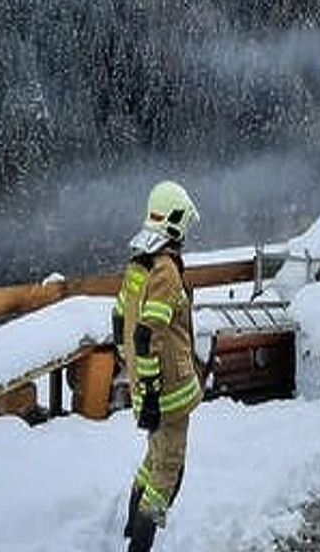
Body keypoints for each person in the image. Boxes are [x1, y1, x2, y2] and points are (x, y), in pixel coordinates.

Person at [112, 180, 204, 552]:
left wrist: (131, 368)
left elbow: (121, 319)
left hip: (148, 386)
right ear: (175, 221)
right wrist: (151, 395)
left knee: (154, 458)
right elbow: (148, 334)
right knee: (169, 471)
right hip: (168, 392)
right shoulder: (165, 269)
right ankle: (140, 544)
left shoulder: (138, 263)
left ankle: (130, 528)